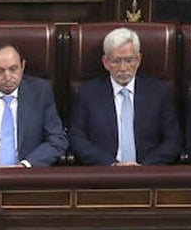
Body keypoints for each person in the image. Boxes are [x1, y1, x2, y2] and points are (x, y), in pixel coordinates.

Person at [69, 27, 181, 166]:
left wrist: (145, 168)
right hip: (103, 173)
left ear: (139, 60)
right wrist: (111, 165)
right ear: (105, 62)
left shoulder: (158, 92)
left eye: (129, 60)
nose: (123, 68)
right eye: (116, 61)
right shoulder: (88, 93)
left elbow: (173, 140)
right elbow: (77, 138)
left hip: (149, 175)